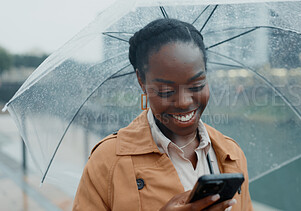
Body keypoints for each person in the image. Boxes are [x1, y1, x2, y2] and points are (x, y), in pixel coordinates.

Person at [73, 18, 253, 211]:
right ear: (141, 81)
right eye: (166, 90)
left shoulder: (231, 154)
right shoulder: (108, 161)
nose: (184, 102)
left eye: (196, 85)